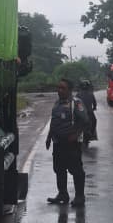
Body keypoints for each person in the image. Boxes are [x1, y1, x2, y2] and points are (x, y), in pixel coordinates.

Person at [45, 77, 88, 207]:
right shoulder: (57, 103)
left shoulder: (76, 103)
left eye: (63, 88)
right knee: (59, 169)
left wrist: (76, 135)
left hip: (71, 144)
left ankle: (80, 196)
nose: (59, 90)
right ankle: (62, 194)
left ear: (70, 90)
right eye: (58, 87)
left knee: (76, 170)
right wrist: (48, 138)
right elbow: (54, 122)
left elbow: (85, 121)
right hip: (58, 143)